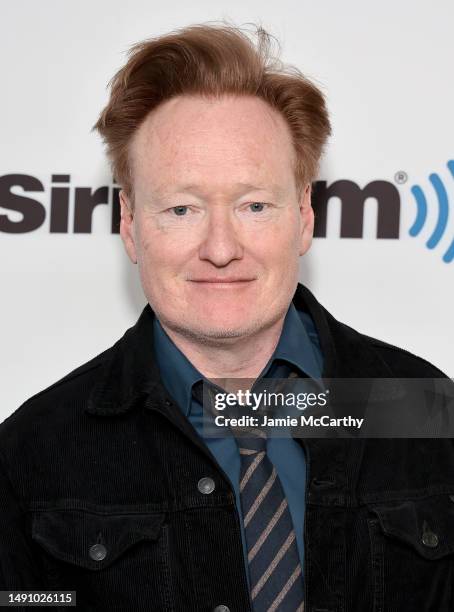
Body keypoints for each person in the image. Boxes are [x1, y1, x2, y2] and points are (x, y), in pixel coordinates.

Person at [1, 22, 453, 612]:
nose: (220, 247)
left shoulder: (421, 410)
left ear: (306, 219)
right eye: (182, 208)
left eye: (254, 205)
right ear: (131, 225)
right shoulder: (34, 452)